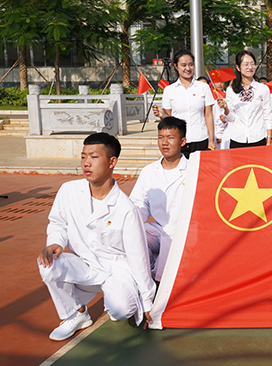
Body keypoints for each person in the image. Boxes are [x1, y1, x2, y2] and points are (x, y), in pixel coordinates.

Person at [37, 133, 155, 341]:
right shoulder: (69, 190)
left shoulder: (127, 209)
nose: (86, 163)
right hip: (86, 266)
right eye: (83, 157)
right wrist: (55, 242)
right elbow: (58, 222)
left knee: (120, 311)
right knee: (48, 264)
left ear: (112, 162)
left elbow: (138, 258)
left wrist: (147, 302)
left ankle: (121, 296)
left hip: (117, 270)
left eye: (93, 157)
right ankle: (76, 314)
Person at [129, 117, 187, 282]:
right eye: (161, 137)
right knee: (133, 232)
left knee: (170, 234)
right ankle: (143, 275)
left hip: (182, 232)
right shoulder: (149, 171)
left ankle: (159, 284)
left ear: (182, 141)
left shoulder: (192, 170)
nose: (164, 142)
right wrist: (134, 222)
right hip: (157, 228)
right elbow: (138, 203)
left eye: (170, 137)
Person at [152, 49, 216, 156]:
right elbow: (169, 119)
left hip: (200, 139)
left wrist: (212, 140)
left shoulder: (203, 87)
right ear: (176, 66)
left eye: (191, 65)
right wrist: (162, 114)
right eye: (183, 65)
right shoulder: (169, 90)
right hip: (179, 141)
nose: (188, 68)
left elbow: (208, 115)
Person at [218, 50, 272, 148]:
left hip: (258, 138)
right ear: (238, 67)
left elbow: (268, 114)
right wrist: (226, 108)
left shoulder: (262, 89)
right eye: (246, 64)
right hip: (237, 139)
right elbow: (231, 118)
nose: (250, 67)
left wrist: (269, 138)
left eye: (252, 64)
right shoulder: (231, 90)